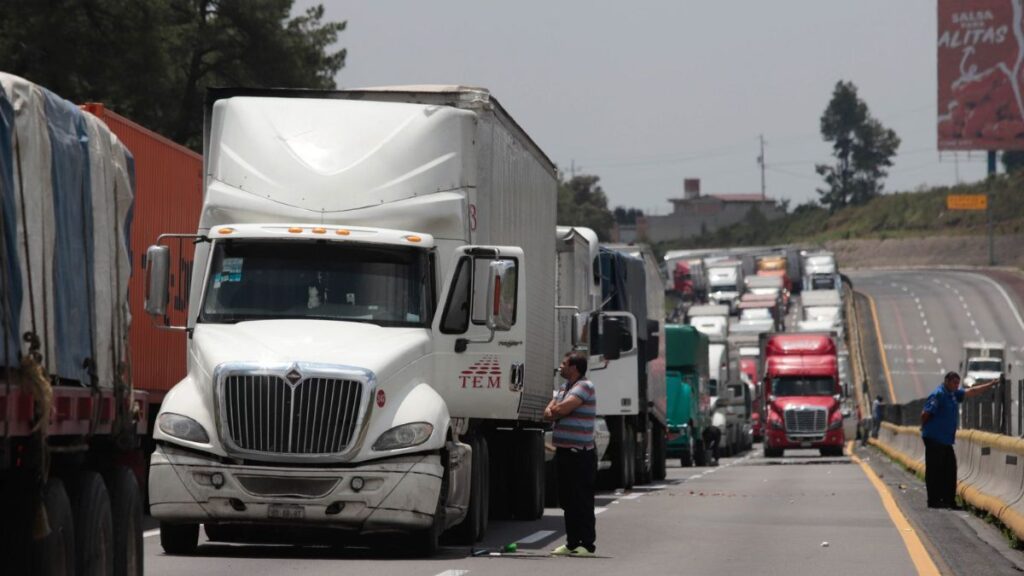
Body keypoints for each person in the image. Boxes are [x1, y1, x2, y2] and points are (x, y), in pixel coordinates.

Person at [545, 351, 597, 557]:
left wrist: (556, 409)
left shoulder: (584, 386)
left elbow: (559, 410)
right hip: (564, 452)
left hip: (580, 454)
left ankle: (587, 544)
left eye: (564, 364)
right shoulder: (564, 388)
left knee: (581, 499)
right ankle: (572, 542)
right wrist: (555, 409)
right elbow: (549, 410)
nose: (560, 367)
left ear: (574, 367)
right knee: (567, 500)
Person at [921, 371, 997, 509]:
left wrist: (990, 385)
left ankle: (948, 500)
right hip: (934, 439)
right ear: (947, 381)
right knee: (934, 470)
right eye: (954, 383)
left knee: (949, 470)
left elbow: (972, 392)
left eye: (958, 383)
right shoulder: (939, 394)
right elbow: (925, 414)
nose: (957, 386)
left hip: (946, 441)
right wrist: (927, 431)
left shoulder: (953, 394)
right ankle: (934, 500)